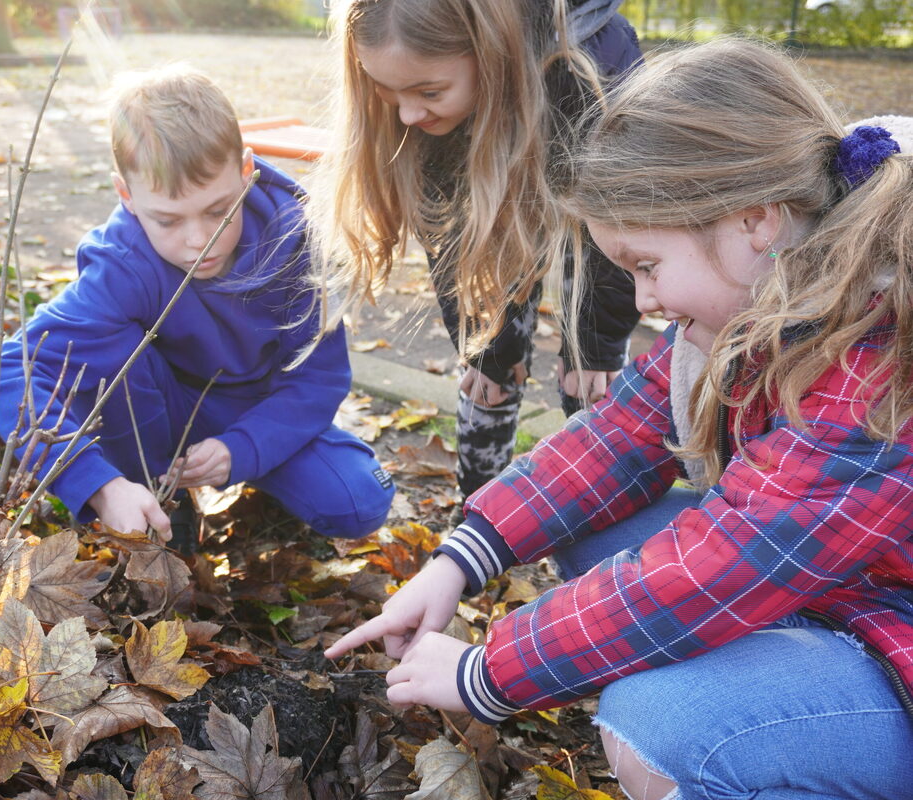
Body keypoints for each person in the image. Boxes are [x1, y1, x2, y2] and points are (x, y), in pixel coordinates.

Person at [325, 40, 913, 799]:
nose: (642, 302)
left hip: (893, 633)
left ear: (757, 222)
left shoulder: (879, 370)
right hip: (845, 587)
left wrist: (484, 673)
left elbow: (717, 567)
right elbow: (616, 438)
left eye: (646, 265)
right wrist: (458, 561)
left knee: (656, 727)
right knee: (596, 537)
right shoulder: (768, 297)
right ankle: (775, 681)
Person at [0, 65, 394, 549]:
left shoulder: (299, 244)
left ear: (246, 172)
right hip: (162, 412)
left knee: (358, 498)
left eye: (219, 211)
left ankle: (274, 514)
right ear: (127, 196)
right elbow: (12, 371)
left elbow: (318, 379)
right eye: (168, 220)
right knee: (113, 350)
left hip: (261, 412)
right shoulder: (123, 266)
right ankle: (154, 504)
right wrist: (97, 484)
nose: (200, 241)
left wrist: (242, 448)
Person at [307, 0, 643, 500]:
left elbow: (626, 218)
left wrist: (598, 340)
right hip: (493, 180)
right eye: (386, 90)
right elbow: (456, 242)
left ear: (490, 55)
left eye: (428, 91)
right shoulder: (423, 119)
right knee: (487, 376)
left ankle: (594, 521)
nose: (407, 112)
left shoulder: (595, 66)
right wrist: (487, 351)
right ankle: (479, 513)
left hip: (596, 194)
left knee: (590, 378)